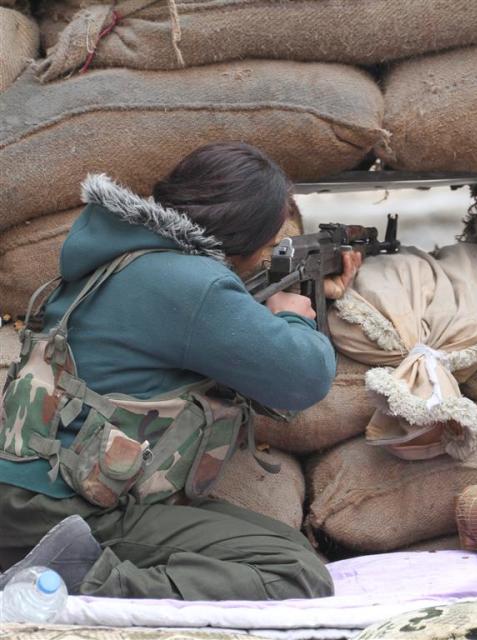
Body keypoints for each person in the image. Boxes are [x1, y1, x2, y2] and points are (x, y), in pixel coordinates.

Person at [0, 142, 361, 600]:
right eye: (270, 245)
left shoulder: (123, 259)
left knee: (284, 546)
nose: (268, 257)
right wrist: (291, 315)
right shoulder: (190, 284)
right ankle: (80, 583)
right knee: (294, 572)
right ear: (243, 236)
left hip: (36, 494)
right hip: (63, 509)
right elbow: (303, 377)